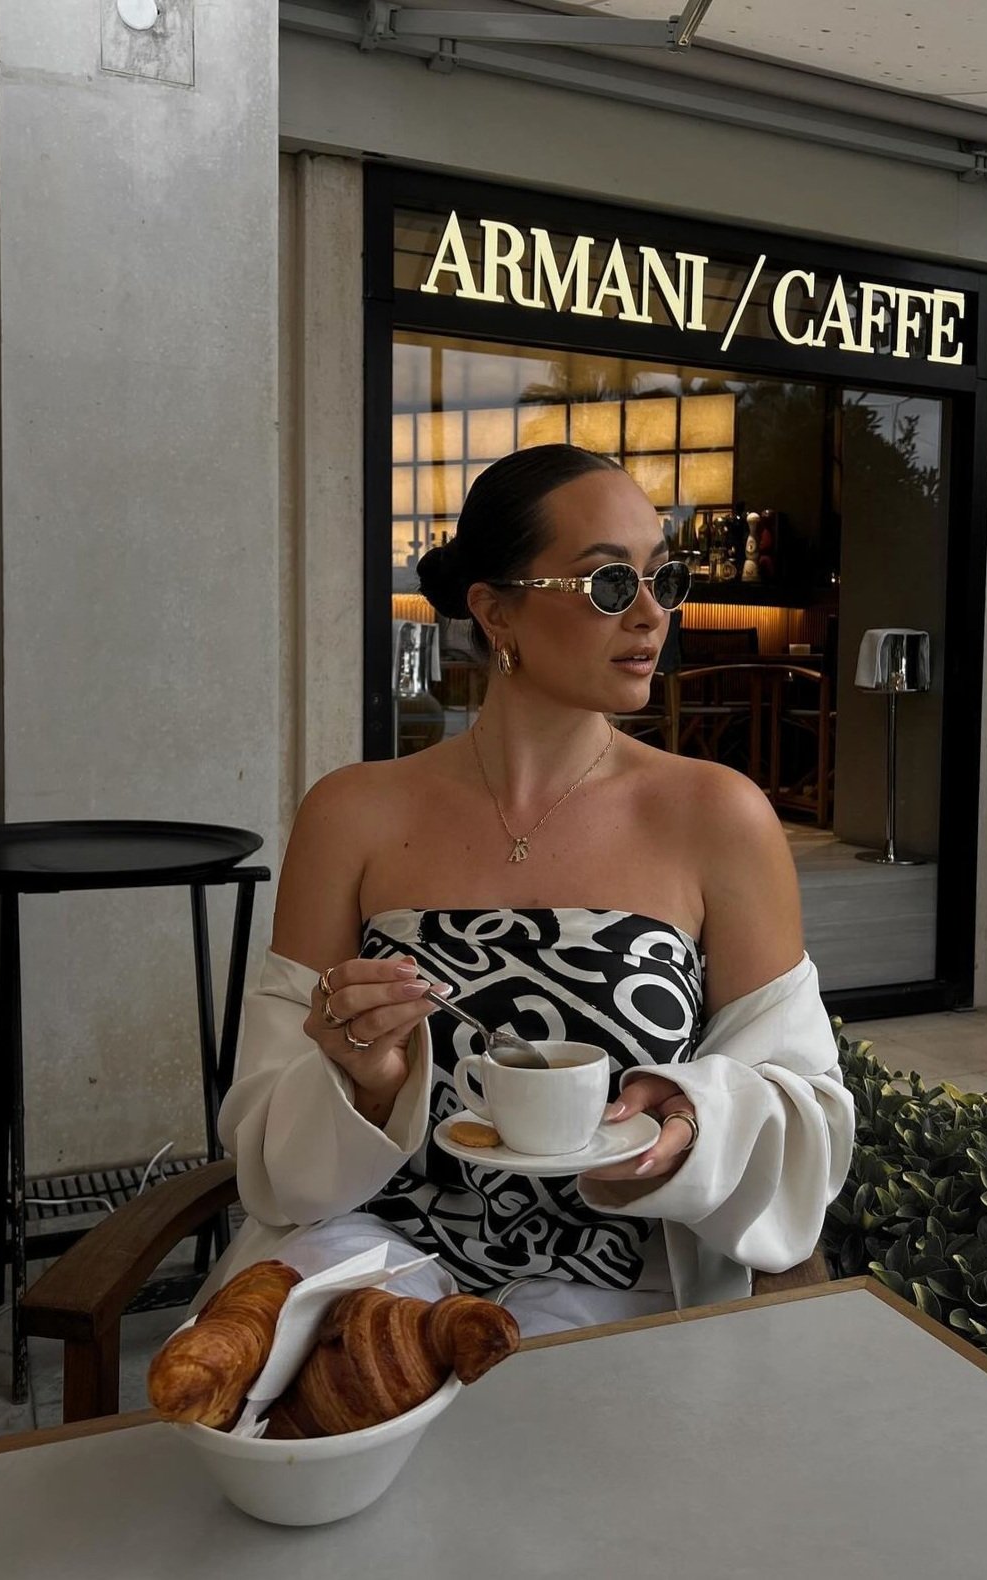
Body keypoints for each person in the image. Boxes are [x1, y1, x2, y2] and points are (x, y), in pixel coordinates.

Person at [195, 444, 855, 1336]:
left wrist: (698, 1122)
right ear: (494, 610)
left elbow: (804, 1101)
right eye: (608, 584)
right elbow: (266, 1138)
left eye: (664, 580)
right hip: (368, 1276)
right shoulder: (350, 814)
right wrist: (367, 1084)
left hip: (619, 1298)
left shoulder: (716, 815)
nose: (651, 615)